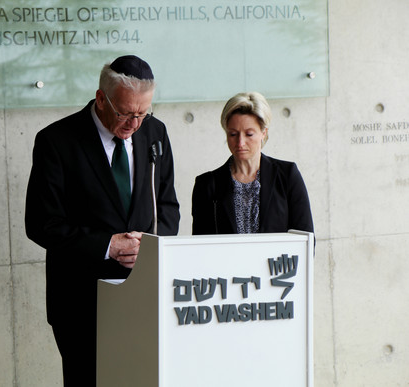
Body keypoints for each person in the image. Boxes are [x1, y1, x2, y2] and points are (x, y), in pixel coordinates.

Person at [25, 55, 180, 386]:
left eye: (142, 113)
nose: (134, 124)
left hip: (143, 293)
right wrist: (107, 246)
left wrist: (149, 247)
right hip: (82, 300)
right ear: (101, 99)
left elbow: (167, 206)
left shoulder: (155, 132)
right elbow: (41, 222)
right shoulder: (57, 141)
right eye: (125, 113)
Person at [192, 91, 313, 235]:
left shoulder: (287, 176)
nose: (240, 142)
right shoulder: (207, 184)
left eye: (249, 134)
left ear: (263, 133)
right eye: (233, 134)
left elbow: (305, 239)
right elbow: (201, 246)